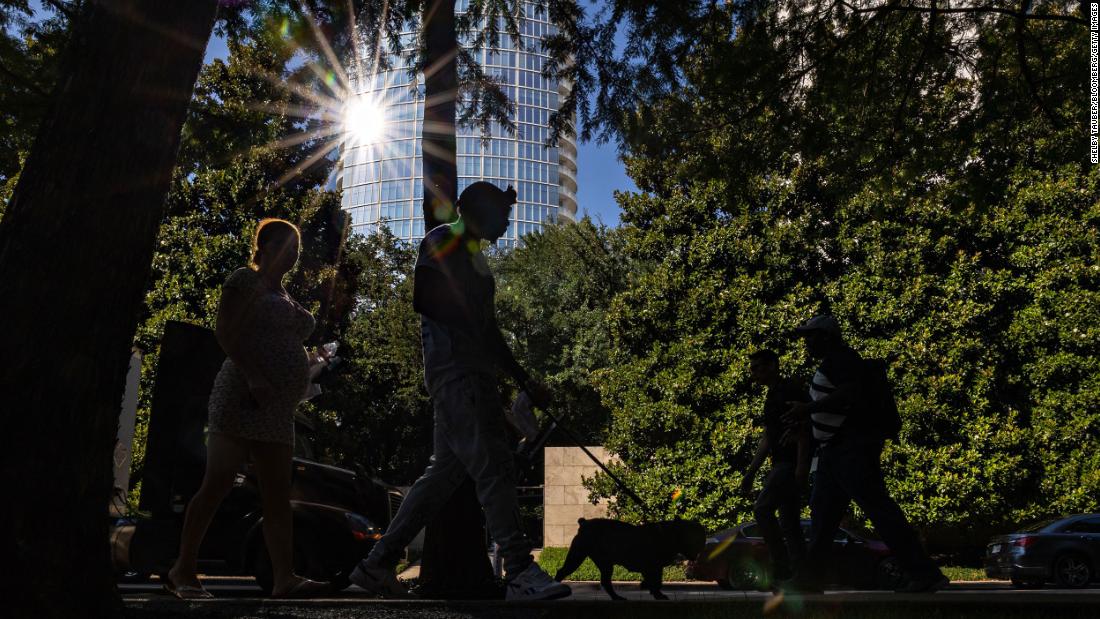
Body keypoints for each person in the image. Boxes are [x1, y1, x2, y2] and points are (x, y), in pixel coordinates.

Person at [350, 182, 571, 601]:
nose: (507, 223)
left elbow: (490, 331)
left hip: (467, 375)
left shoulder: (478, 261)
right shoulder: (443, 240)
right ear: (480, 213)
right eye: (502, 215)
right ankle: (521, 570)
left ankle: (375, 565)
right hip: (458, 375)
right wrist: (480, 335)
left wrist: (523, 380)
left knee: (441, 478)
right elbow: (427, 300)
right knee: (495, 468)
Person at [166, 218, 328, 599]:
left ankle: (283, 578)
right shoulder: (244, 280)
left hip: (277, 406)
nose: (292, 255)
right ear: (265, 247)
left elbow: (281, 343)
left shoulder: (286, 295)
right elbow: (226, 331)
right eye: (286, 247)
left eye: (296, 250)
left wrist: (308, 364)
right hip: (241, 392)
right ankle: (182, 570)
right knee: (218, 481)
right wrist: (255, 375)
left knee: (276, 494)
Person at [781, 315, 947, 594]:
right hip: (834, 452)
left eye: (810, 336)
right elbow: (833, 406)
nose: (806, 342)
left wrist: (806, 410)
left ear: (826, 336)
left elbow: (848, 394)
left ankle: (924, 572)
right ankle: (809, 578)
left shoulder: (843, 360)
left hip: (851, 450)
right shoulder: (834, 362)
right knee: (822, 520)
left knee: (880, 511)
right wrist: (804, 423)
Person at [739, 349, 811, 583]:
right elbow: (769, 437)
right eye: (752, 368)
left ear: (772, 366)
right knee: (789, 522)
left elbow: (804, 428)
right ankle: (800, 574)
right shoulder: (772, 396)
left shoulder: (788, 390)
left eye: (757, 367)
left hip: (787, 464)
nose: (754, 373)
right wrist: (751, 472)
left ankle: (782, 566)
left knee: (762, 509)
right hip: (782, 462)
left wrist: (801, 466)